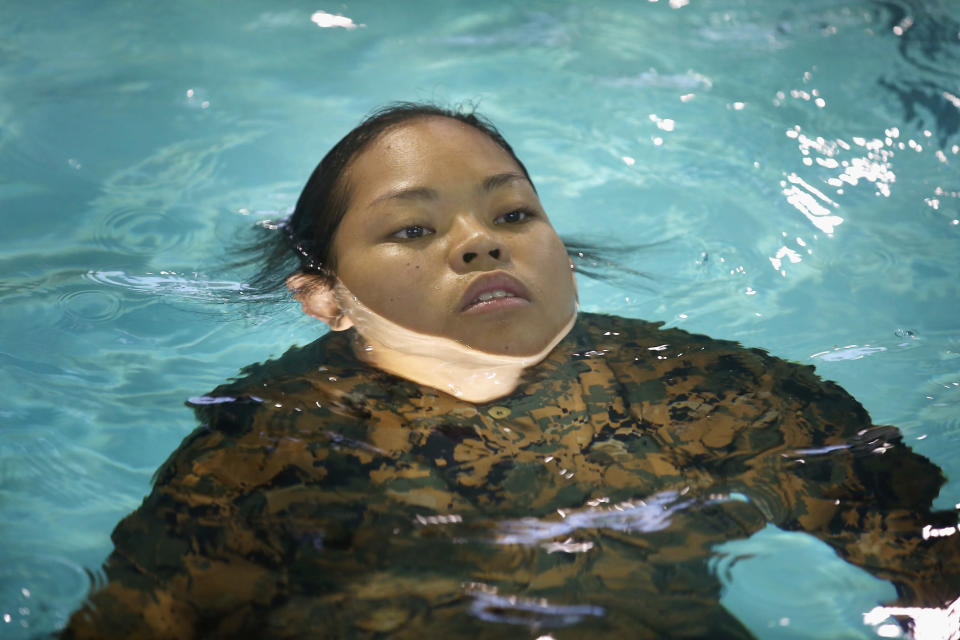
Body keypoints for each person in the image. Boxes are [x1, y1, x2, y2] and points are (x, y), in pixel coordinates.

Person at [62, 103, 959, 639]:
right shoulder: (262, 456)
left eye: (514, 214)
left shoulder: (707, 394)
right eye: (413, 229)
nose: (479, 239)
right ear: (324, 299)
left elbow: (925, 562)